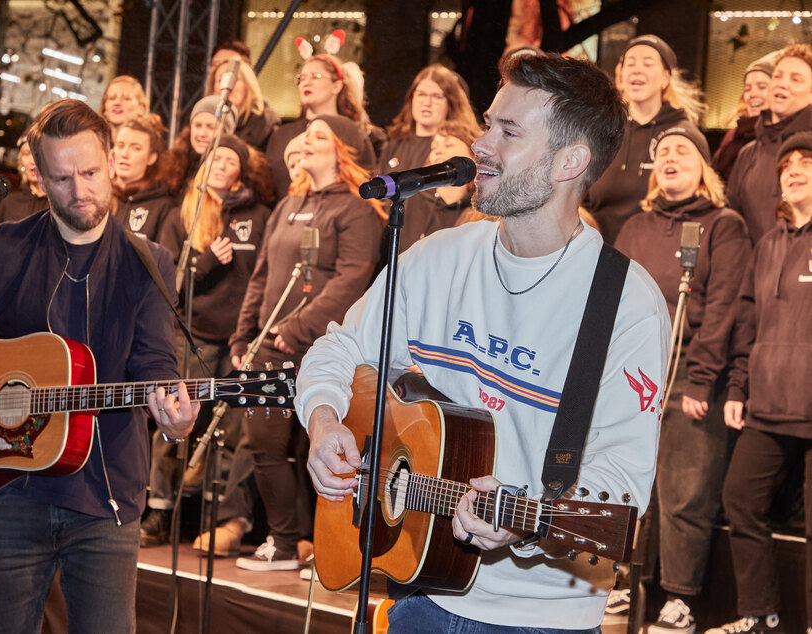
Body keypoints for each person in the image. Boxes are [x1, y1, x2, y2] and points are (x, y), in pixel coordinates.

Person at [297, 53, 670, 632]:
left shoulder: (625, 304)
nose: (481, 144)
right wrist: (324, 422)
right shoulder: (439, 257)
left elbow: (620, 488)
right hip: (418, 591)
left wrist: (524, 521)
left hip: (542, 616)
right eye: (489, 124)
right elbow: (338, 350)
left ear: (570, 161)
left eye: (509, 131)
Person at [0, 99, 198, 632]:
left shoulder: (150, 263)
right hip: (7, 490)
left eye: (91, 172)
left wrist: (174, 416)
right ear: (40, 178)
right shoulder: (0, 247)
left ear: (112, 160)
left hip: (106, 495)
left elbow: (156, 364)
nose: (81, 191)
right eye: (63, 177)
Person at [226, 114, 384, 570]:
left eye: (319, 136)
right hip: (270, 345)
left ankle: (324, 548)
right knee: (265, 444)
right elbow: (262, 275)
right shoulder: (288, 203)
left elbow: (352, 278)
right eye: (306, 135)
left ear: (343, 150)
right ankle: (285, 540)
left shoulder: (355, 207)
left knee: (314, 451)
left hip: (319, 346)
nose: (305, 142)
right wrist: (245, 333)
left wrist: (295, 328)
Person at [614, 123, 751, 634]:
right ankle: (624, 583)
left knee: (684, 494)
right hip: (633, 383)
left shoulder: (723, 225)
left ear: (704, 169)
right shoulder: (635, 227)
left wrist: (701, 378)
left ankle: (679, 598)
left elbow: (723, 308)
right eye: (664, 151)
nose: (671, 157)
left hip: (693, 382)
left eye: (683, 151)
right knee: (628, 487)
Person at [141, 135, 272, 546]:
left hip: (236, 339)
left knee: (228, 432)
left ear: (240, 171)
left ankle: (215, 518)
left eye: (231, 160)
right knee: (174, 419)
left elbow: (261, 277)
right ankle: (158, 512)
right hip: (191, 335)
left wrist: (247, 334)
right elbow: (168, 279)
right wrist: (206, 261)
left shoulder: (259, 213)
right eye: (216, 157)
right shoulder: (184, 210)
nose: (221, 165)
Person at [708, 132, 812, 634]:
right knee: (740, 500)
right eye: (787, 164)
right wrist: (738, 389)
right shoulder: (769, 243)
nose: (793, 170)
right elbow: (746, 321)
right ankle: (759, 616)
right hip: (768, 402)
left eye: (805, 163)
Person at [582, 34, 705, 243]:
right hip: (596, 251)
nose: (637, 69)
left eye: (648, 64)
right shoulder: (602, 130)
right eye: (630, 63)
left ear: (666, 77)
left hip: (656, 253)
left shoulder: (683, 135)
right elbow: (575, 193)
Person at [726, 44, 812, 245]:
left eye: (796, 79)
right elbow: (733, 225)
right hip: (755, 271)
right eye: (778, 76)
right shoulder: (747, 154)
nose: (782, 84)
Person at [264, 54, 377, 200]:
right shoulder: (282, 135)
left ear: (336, 86)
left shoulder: (352, 134)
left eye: (315, 76)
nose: (306, 83)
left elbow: (367, 185)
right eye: (302, 78)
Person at [397, 119, 483, 252]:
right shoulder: (411, 201)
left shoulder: (481, 211)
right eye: (434, 147)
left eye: (448, 145)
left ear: (472, 156)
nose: (438, 151)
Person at [379, 64, 479, 175]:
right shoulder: (395, 143)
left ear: (451, 103)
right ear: (412, 98)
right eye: (421, 95)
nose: (427, 103)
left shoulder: (453, 147)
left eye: (437, 96)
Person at [111, 113, 176, 243]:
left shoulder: (163, 206)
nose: (124, 154)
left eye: (136, 148)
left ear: (151, 158)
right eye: (120, 145)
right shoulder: (98, 194)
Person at [712, 55, 775, 183]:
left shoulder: (780, 136)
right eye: (747, 89)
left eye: (762, 87)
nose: (752, 94)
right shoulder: (732, 137)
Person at [167, 95, 239, 196]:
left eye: (211, 127)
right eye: (198, 125)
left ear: (227, 133)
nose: (202, 133)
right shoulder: (175, 162)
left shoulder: (235, 170)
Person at [206, 58, 280, 152]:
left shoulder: (265, 125)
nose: (228, 85)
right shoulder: (206, 122)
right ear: (213, 89)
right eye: (221, 80)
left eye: (234, 79)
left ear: (248, 84)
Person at [0, 135, 48, 223]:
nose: (32, 161)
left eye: (37, 153)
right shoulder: (9, 203)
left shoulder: (59, 204)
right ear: (21, 160)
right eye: (26, 153)